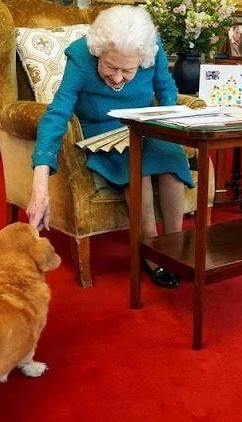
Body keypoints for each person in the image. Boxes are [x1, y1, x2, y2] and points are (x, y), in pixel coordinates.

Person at [28, 6, 193, 289]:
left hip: (144, 126)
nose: (118, 78)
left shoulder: (152, 49)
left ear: (142, 58)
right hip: (100, 130)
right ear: (98, 52)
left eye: (127, 70)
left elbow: (166, 91)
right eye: (110, 67)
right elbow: (57, 113)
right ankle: (151, 252)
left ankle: (173, 247)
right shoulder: (80, 55)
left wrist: (169, 128)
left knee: (172, 164)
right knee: (136, 170)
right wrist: (40, 182)